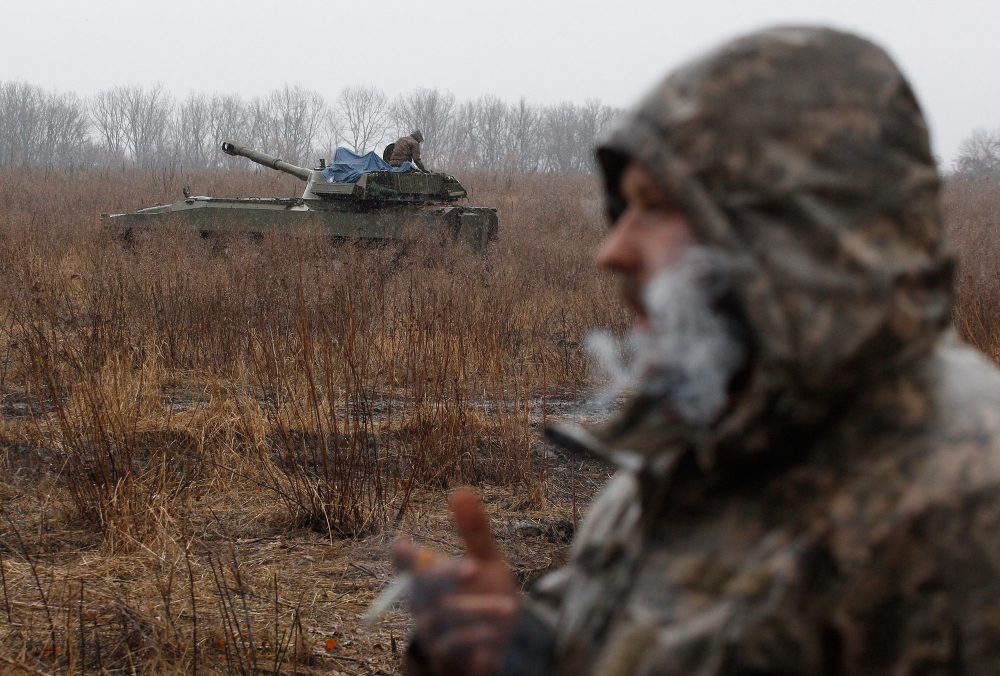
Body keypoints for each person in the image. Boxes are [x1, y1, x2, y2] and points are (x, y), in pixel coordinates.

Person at [392, 25, 1000, 674]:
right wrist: (522, 647)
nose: (612, 250)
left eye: (656, 208)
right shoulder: (711, 436)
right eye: (622, 207)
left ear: (789, 233)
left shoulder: (963, 501)